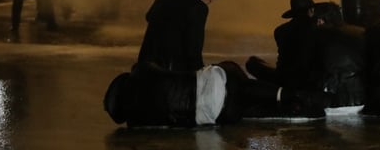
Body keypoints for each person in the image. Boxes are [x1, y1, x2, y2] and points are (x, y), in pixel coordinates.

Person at [104, 59, 324, 127]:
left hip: (213, 115)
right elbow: (147, 66)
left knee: (240, 104)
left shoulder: (138, 119)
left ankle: (285, 105)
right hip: (215, 84)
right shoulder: (142, 72)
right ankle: (288, 96)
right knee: (235, 80)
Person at [135, 0, 224, 73]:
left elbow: (149, 17)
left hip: (144, 67)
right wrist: (200, 72)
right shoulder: (199, 8)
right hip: (170, 75)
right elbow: (194, 48)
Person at [246, 0, 319, 89]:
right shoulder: (316, 30)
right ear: (311, 11)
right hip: (305, 80)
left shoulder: (280, 31)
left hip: (283, 77)